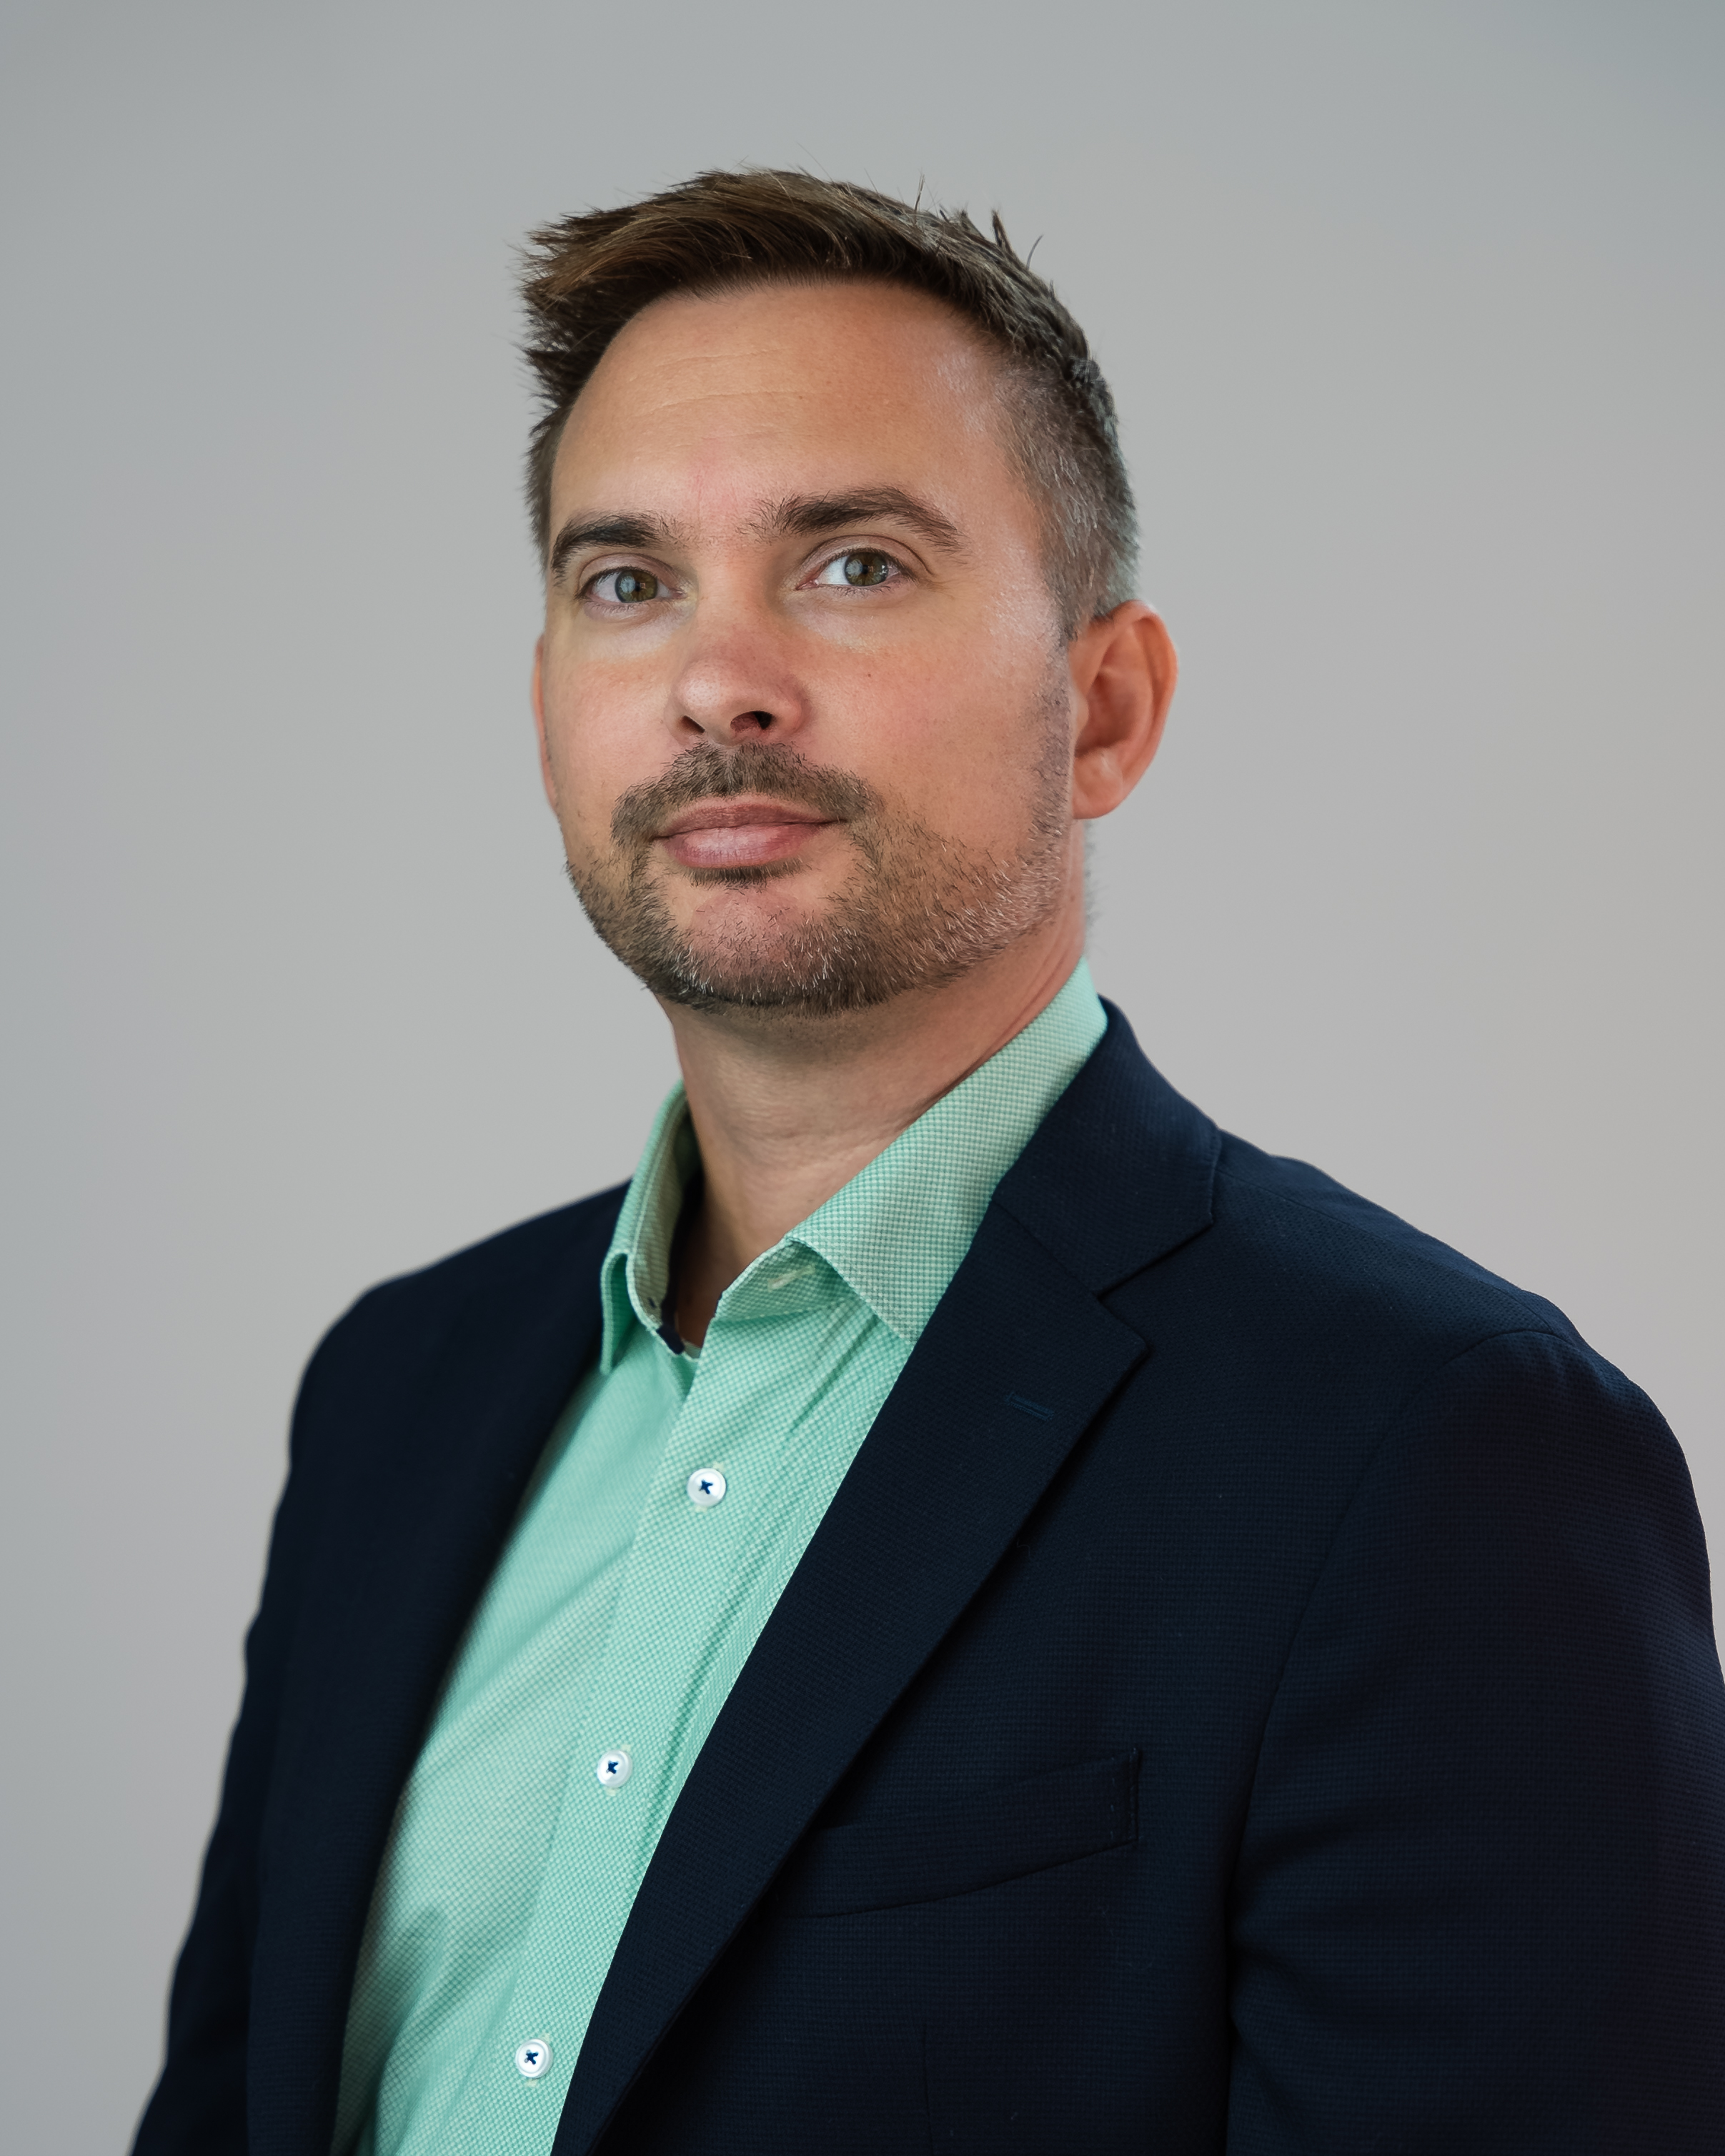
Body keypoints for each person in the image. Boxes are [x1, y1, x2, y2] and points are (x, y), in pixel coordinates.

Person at [134, 169, 1725, 2156]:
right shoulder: (398, 1391)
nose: (721, 683)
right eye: (628, 581)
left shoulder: (1441, 1450)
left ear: (1107, 705)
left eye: (854, 564)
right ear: (545, 698)